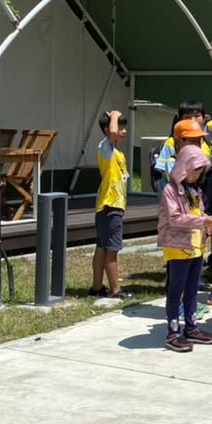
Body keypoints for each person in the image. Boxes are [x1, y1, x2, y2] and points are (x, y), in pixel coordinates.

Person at [157, 145, 212, 351]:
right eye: (194, 170)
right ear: (183, 167)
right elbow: (174, 218)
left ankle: (192, 327)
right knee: (176, 291)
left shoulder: (195, 191)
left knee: (192, 290)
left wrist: (207, 225)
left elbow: (199, 213)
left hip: (195, 246)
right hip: (177, 247)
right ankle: (172, 332)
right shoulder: (170, 190)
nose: (197, 175)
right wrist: (202, 221)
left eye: (200, 171)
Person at [90, 110, 131, 299]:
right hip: (110, 207)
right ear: (108, 129)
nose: (123, 131)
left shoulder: (117, 153)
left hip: (109, 207)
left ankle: (97, 287)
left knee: (102, 248)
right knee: (111, 250)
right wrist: (114, 115)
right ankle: (116, 290)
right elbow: (112, 134)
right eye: (120, 127)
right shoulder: (105, 148)